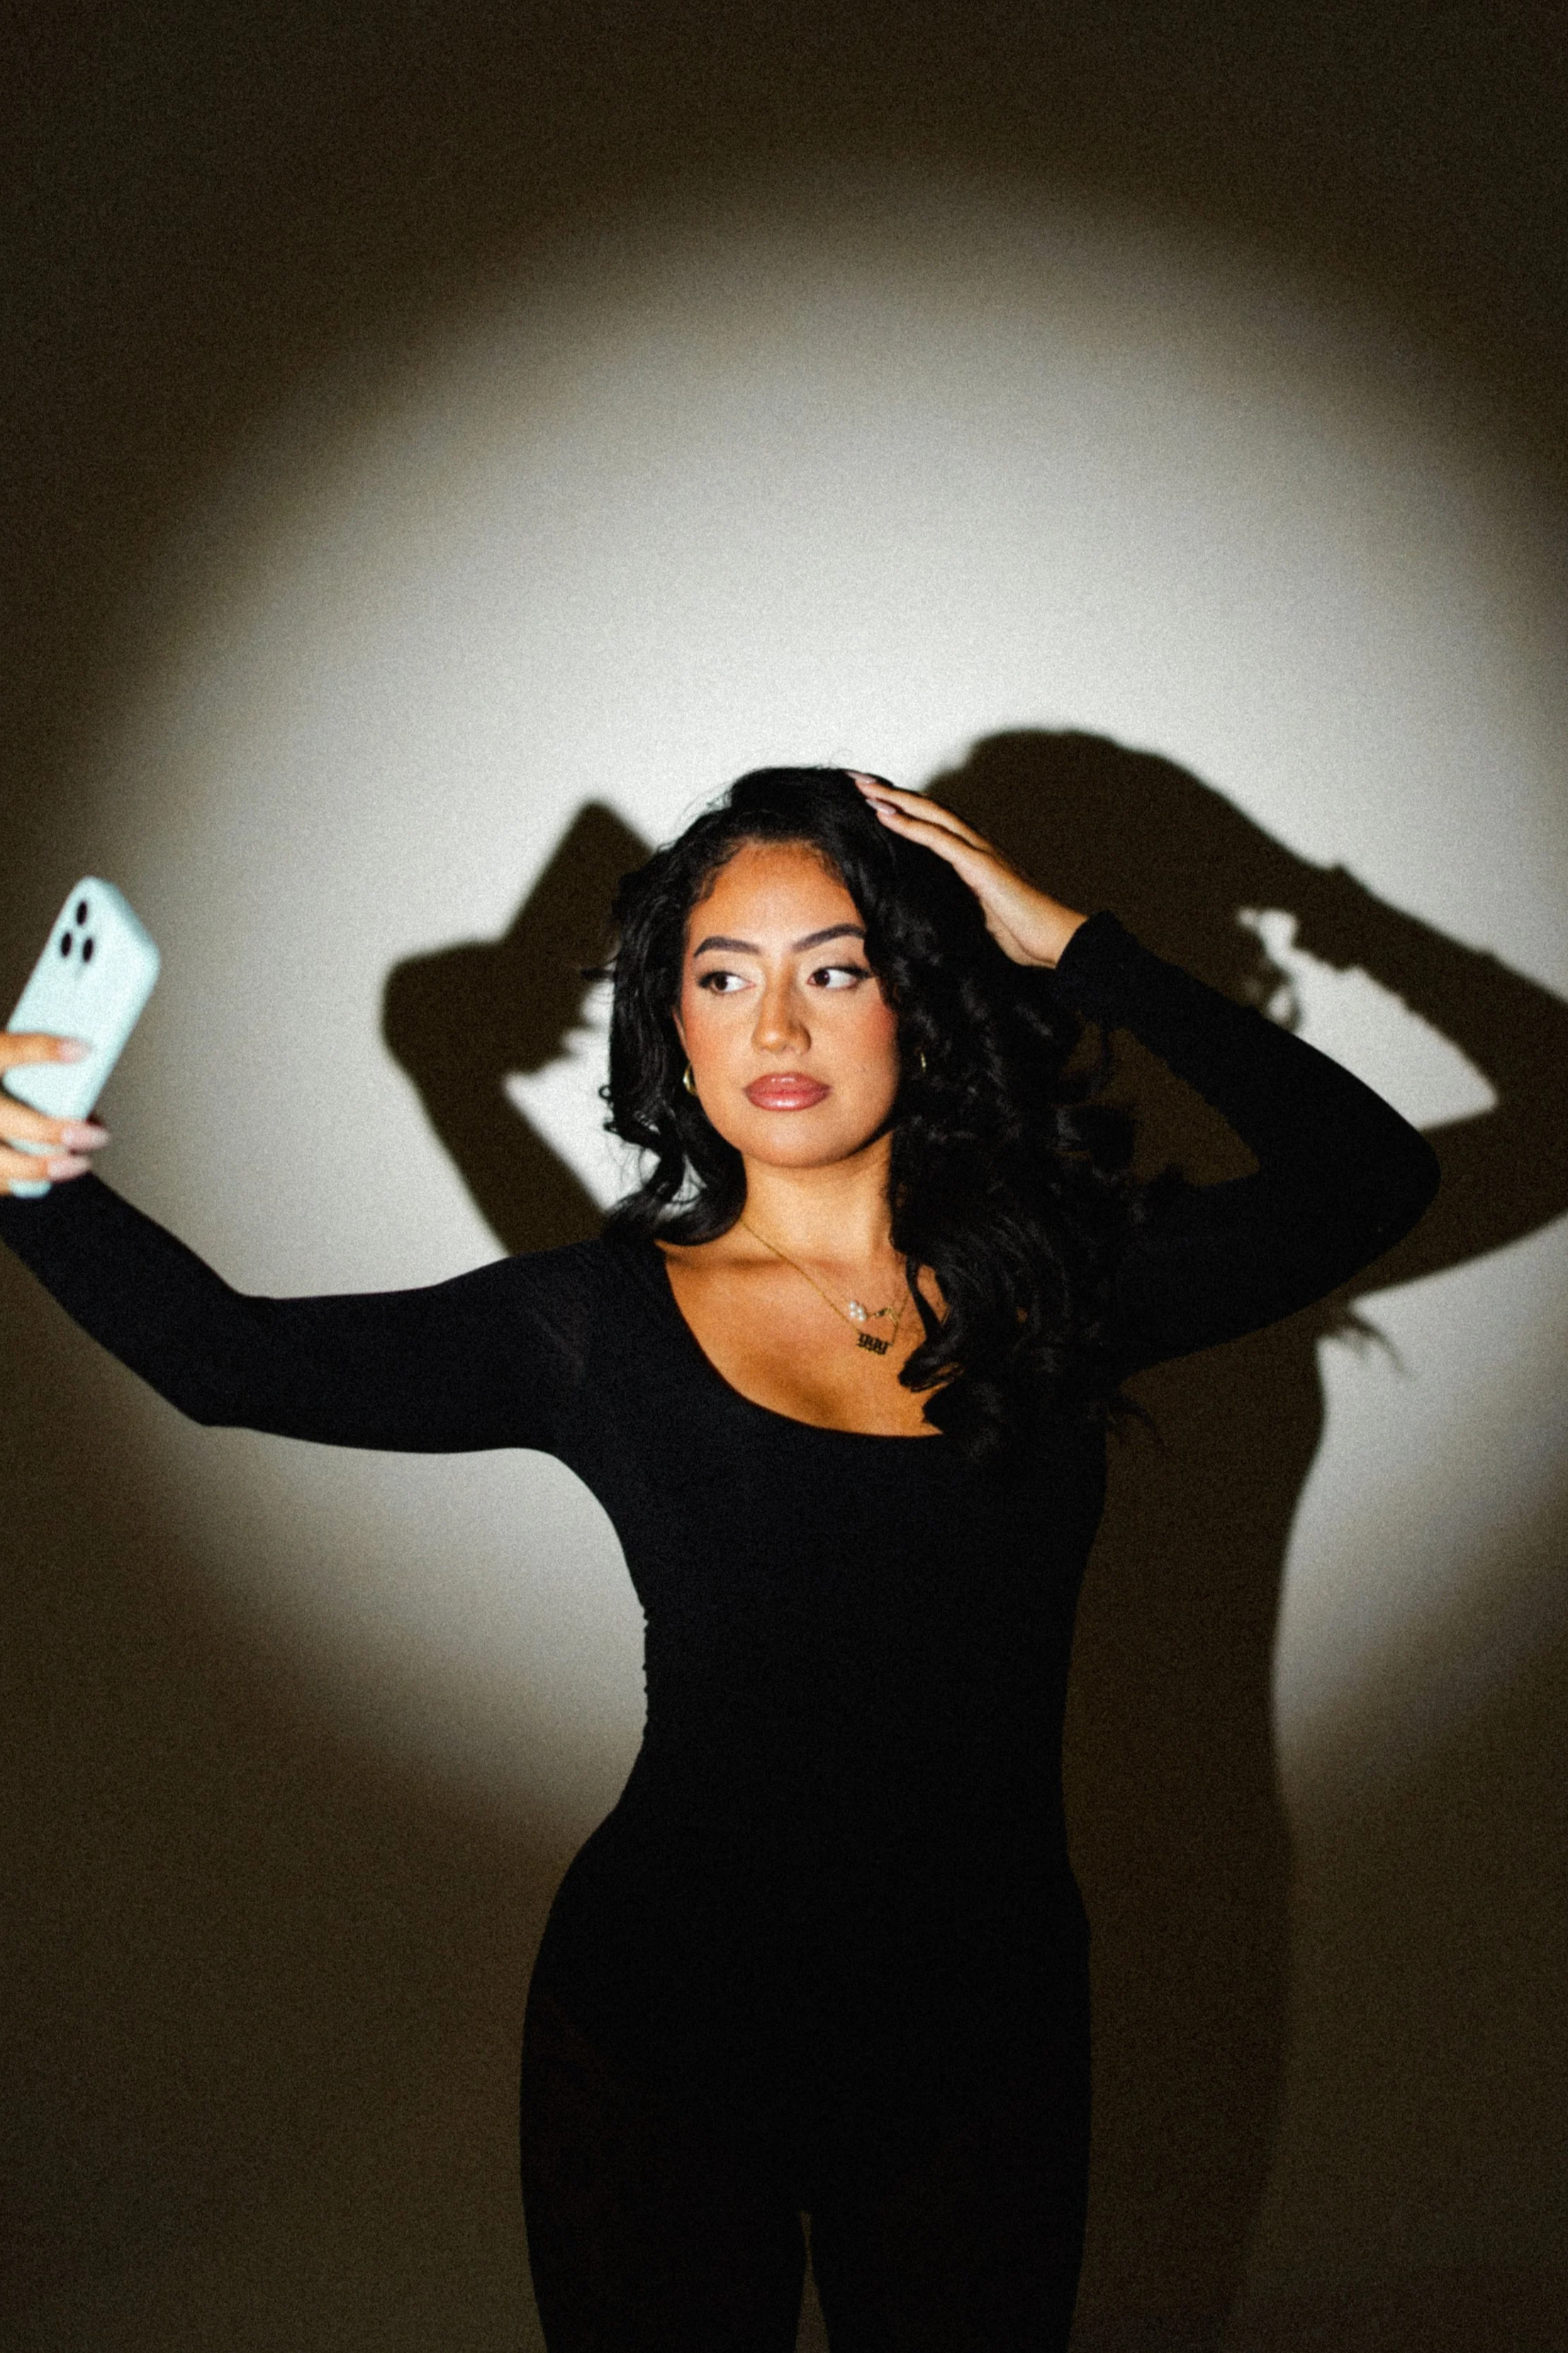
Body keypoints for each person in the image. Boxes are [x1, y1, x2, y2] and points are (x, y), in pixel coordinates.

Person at [0, 767, 1438, 2352]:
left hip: (986, 2042)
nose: (775, 1030)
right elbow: (229, 1363)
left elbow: (1369, 1180)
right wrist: (28, 1185)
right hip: (660, 2045)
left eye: (836, 970)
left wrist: (1077, 945)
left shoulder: (1058, 1292)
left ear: (921, 1000)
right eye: (720, 978)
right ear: (669, 1028)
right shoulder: (590, 1327)